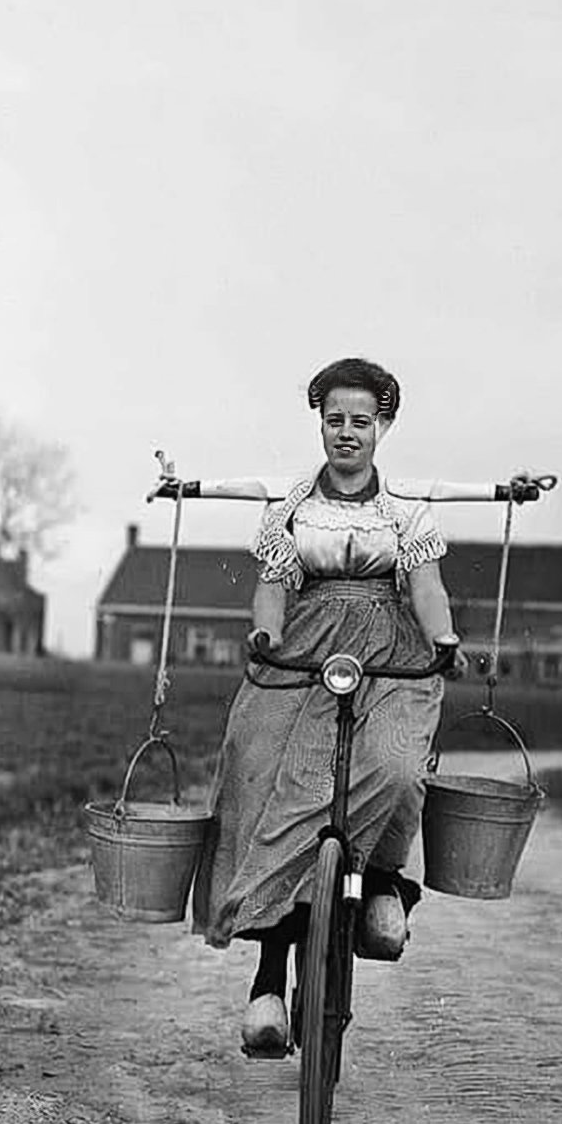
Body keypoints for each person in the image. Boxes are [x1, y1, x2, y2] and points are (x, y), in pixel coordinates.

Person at [191, 356, 468, 1053]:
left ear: (382, 428)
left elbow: (427, 587)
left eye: (361, 422)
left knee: (398, 767)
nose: (347, 433)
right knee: (263, 767)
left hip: (388, 647)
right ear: (320, 424)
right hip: (306, 648)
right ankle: (267, 981)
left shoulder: (405, 512)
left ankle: (382, 881)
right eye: (335, 419)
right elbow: (272, 586)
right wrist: (267, 631)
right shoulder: (292, 508)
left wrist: (442, 636)